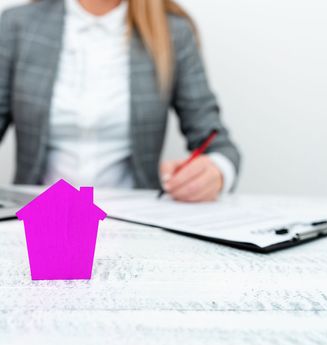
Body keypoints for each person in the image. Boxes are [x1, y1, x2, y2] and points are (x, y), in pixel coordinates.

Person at [0, 0, 241, 202]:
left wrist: (216, 171)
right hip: (37, 221)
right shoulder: (16, 26)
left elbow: (218, 144)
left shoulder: (173, 32)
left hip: (135, 221)